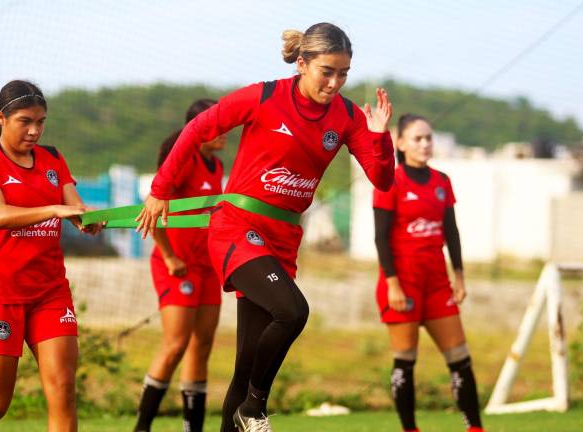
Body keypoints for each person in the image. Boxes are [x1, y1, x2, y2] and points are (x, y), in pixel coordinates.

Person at [137, 23, 395, 432]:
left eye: (344, 73)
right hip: (237, 228)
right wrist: (159, 190)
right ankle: (255, 408)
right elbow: (198, 128)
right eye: (326, 71)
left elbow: (382, 179)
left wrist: (380, 136)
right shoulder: (264, 96)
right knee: (293, 311)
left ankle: (246, 405)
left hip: (284, 239)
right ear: (302, 62)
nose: (335, 82)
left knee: (244, 368)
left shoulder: (346, 116)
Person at [0, 80, 101, 432]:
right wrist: (55, 209)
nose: (35, 130)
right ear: (1, 118)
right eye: (25, 121)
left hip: (50, 292)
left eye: (41, 121)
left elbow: (73, 207)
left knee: (63, 389)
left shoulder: (53, 158)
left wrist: (87, 218)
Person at [373, 114, 484, 432]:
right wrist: (392, 283)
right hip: (402, 283)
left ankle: (475, 428)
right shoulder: (389, 180)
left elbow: (452, 232)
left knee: (460, 358)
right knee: (406, 360)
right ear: (401, 143)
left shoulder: (441, 181)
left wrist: (459, 276)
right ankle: (410, 429)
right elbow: (381, 237)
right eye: (417, 138)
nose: (424, 144)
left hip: (436, 283)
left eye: (429, 138)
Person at [134, 98, 226, 432]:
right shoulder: (183, 161)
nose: (225, 132)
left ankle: (193, 429)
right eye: (217, 126)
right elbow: (152, 209)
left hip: (207, 268)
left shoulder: (216, 167)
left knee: (202, 345)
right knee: (175, 345)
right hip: (175, 265)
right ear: (198, 130)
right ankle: (142, 426)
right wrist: (170, 255)